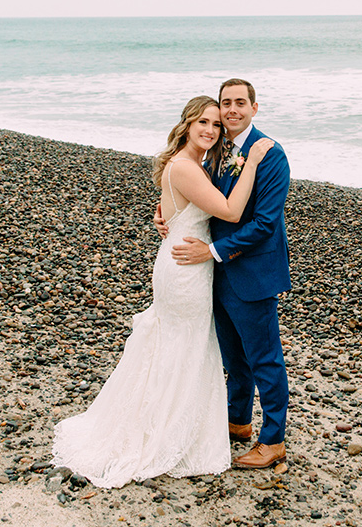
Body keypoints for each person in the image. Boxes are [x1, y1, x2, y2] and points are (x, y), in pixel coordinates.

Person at [51, 95, 274, 488]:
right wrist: (252, 161)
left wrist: (167, 218)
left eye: (216, 125)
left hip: (187, 261)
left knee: (182, 345)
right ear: (187, 125)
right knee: (183, 346)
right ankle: (167, 432)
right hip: (186, 268)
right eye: (202, 122)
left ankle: (180, 423)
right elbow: (232, 212)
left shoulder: (195, 164)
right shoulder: (186, 167)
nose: (210, 130)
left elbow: (176, 210)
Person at [156, 78, 291, 470]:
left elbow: (265, 223)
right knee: (233, 356)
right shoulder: (215, 149)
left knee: (265, 357)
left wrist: (211, 250)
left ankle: (273, 441)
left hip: (250, 271)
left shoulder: (270, 154)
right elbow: (196, 194)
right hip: (213, 272)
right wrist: (166, 214)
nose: (231, 110)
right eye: (225, 103)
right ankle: (237, 422)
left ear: (254, 107)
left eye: (239, 103)